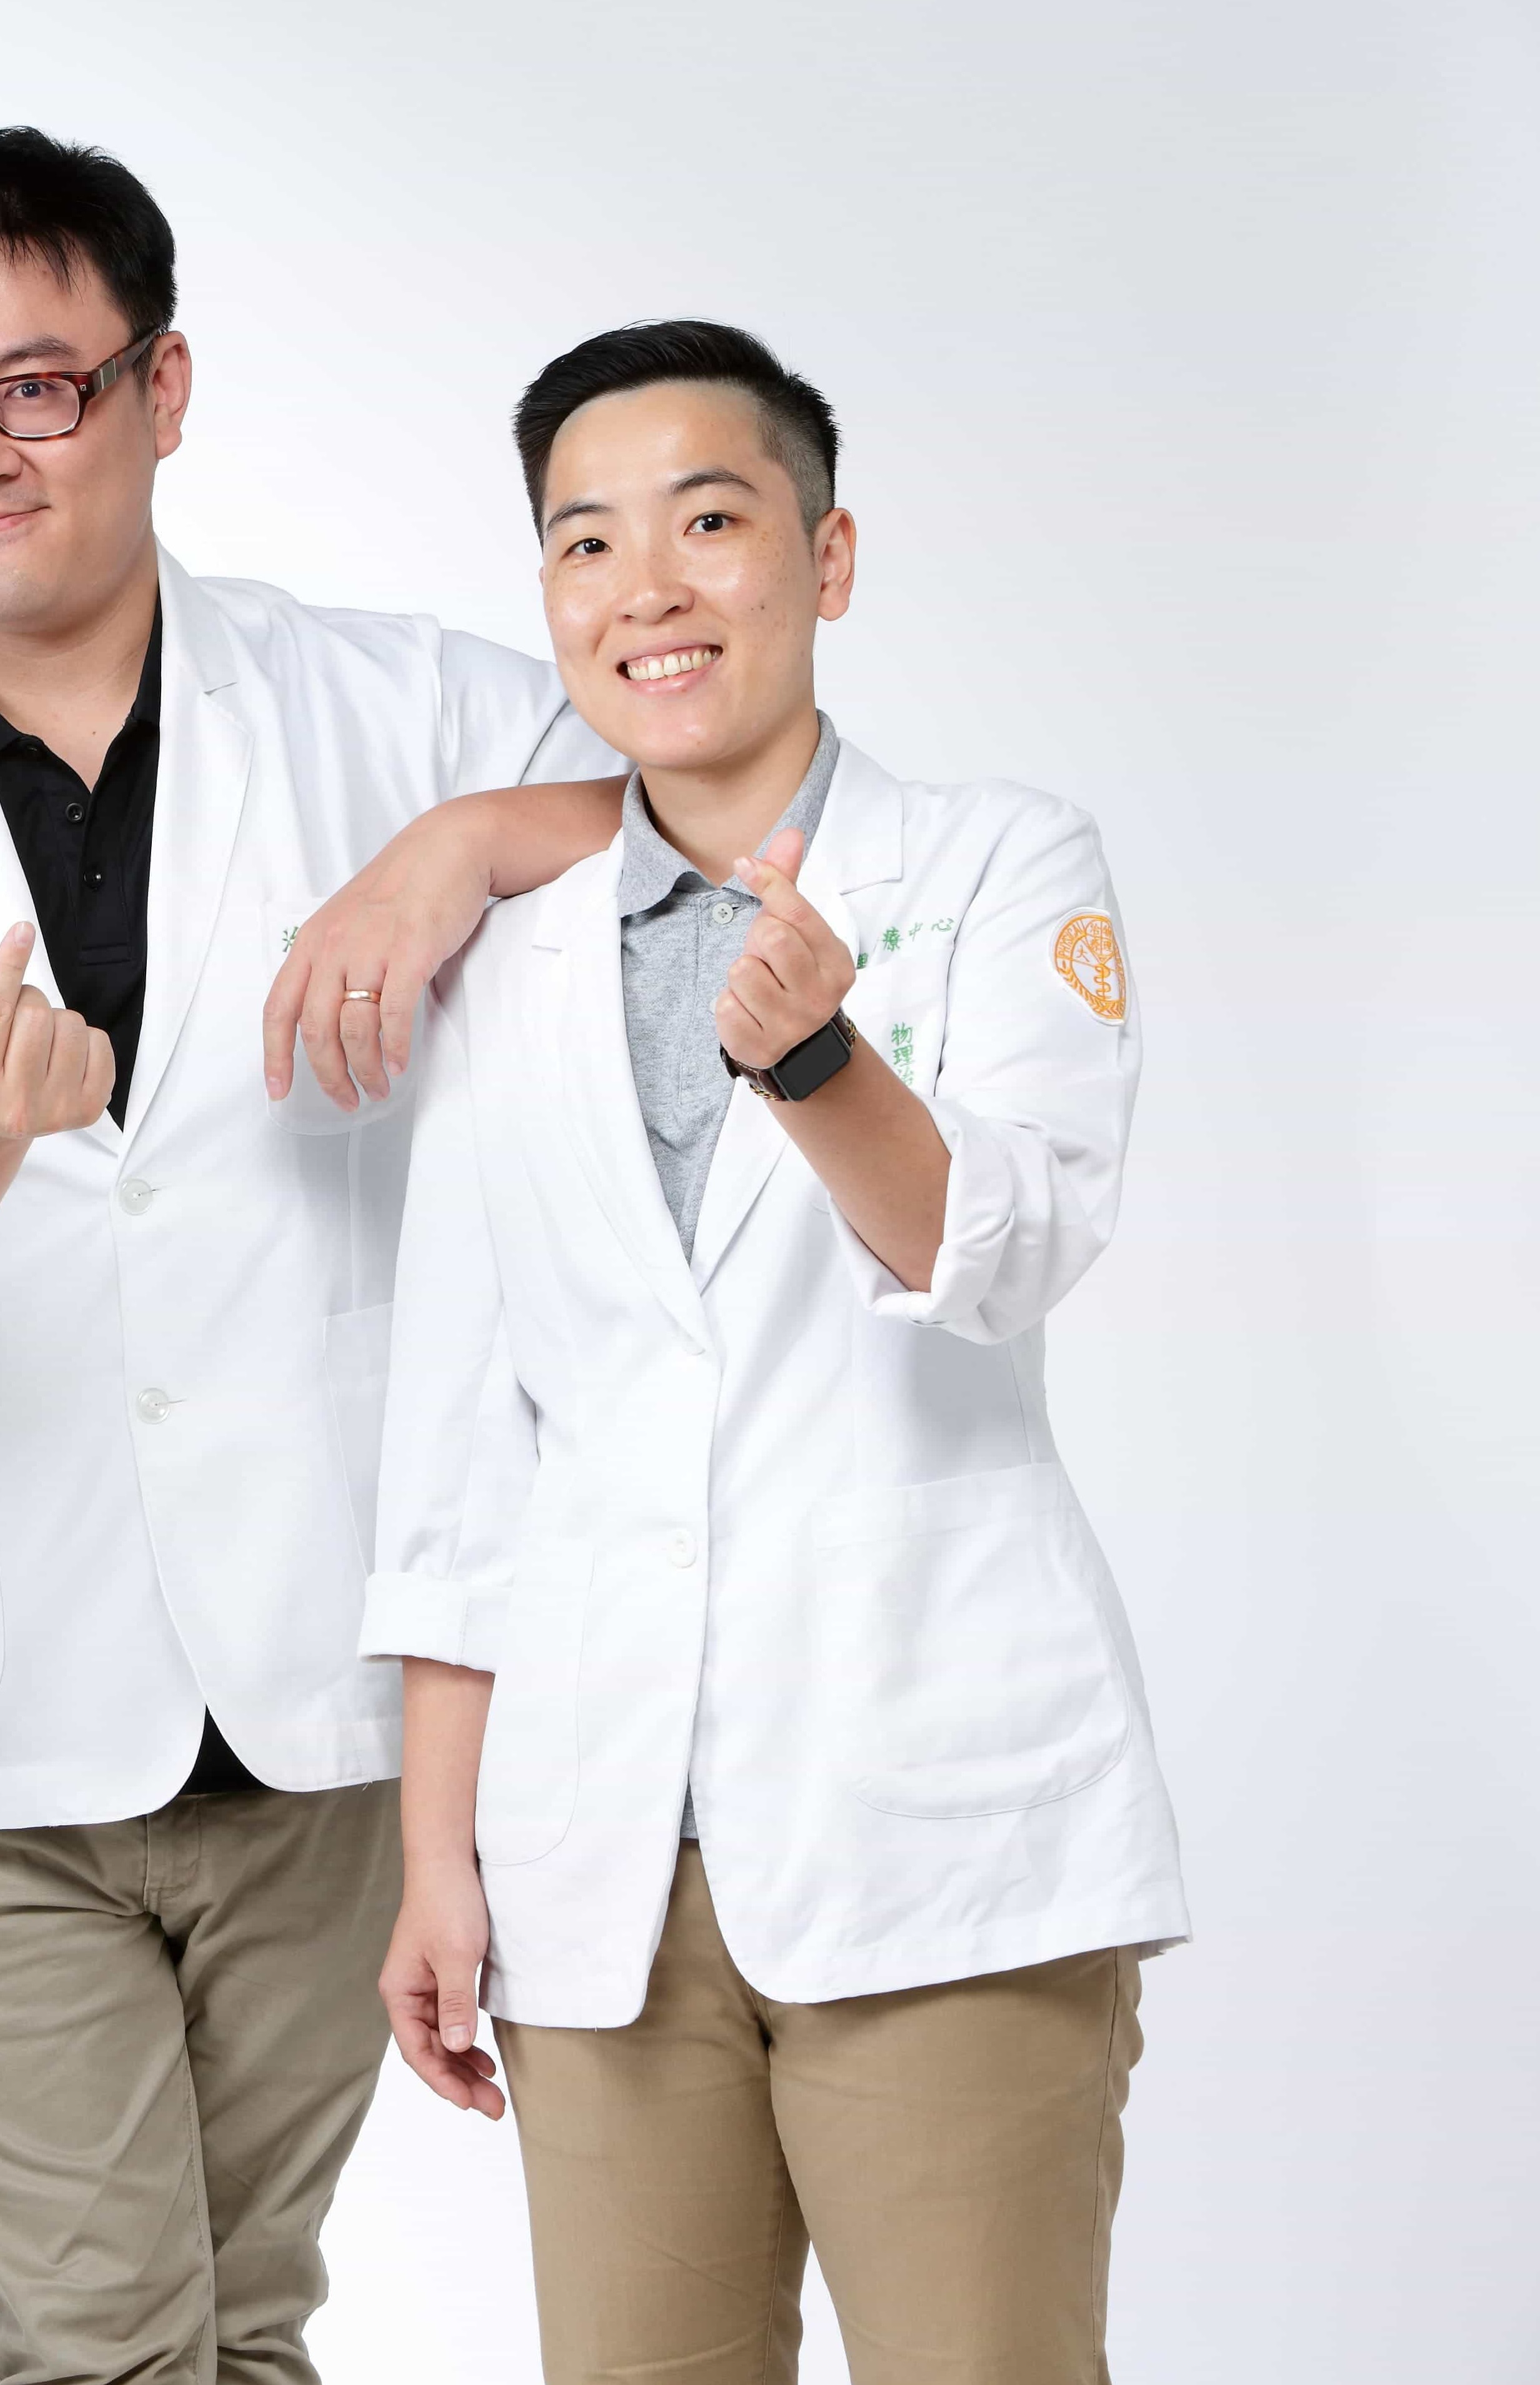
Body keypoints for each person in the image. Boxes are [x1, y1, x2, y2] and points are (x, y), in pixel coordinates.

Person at [0, 128, 626, 2384]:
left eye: (36, 386)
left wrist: (458, 847)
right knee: (107, 2339)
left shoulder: (395, 711)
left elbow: (720, 810)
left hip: (323, 1684)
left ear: (160, 389)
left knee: (245, 2319)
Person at [368, 320, 1190, 2385]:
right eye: (585, 542)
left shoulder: (995, 862)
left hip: (932, 1825)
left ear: (824, 560)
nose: (644, 587)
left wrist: (818, 1058)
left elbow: (1004, 1246)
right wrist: (436, 1856)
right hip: (603, 1868)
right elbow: (466, 1442)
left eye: (708, 521)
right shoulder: (511, 956)